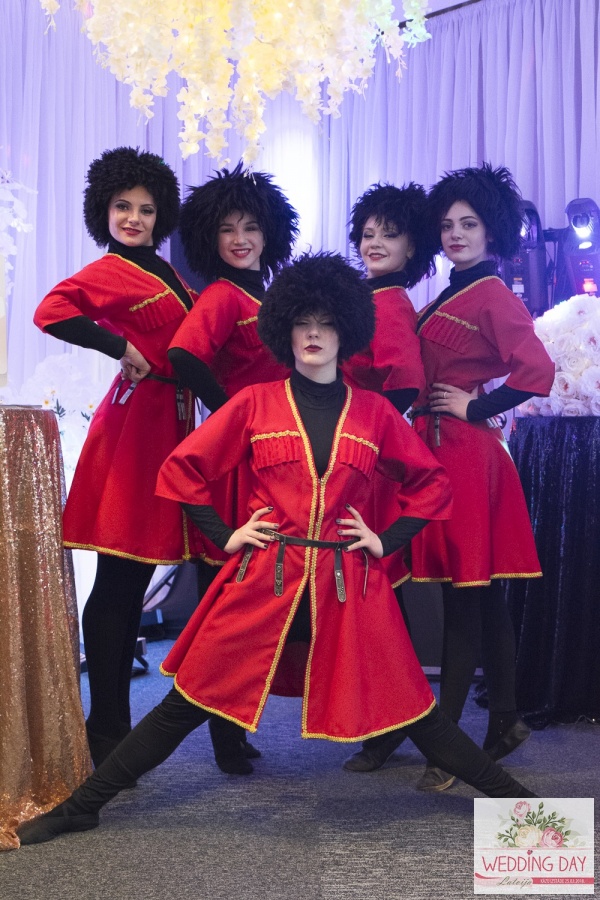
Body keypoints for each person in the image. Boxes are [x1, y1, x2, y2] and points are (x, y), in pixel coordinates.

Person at [16, 253, 536, 848]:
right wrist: (225, 535)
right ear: (284, 331)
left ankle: (523, 807)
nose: (313, 334)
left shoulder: (373, 413)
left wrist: (384, 540)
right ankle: (83, 807)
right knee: (184, 704)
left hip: (348, 585)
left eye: (326, 323)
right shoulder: (255, 403)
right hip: (268, 577)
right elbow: (183, 470)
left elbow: (431, 483)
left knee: (419, 711)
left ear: (346, 332)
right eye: (302, 323)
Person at [33, 147, 200, 769]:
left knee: (132, 581)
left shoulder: (165, 271)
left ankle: (113, 728)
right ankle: (105, 730)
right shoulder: (109, 270)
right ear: (102, 210)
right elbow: (50, 312)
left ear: (162, 216)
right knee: (119, 578)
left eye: (146, 209)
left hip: (168, 427)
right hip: (134, 432)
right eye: (122, 206)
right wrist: (117, 345)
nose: (133, 218)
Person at [408, 163, 555, 792]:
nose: (455, 234)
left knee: (463, 596)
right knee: (483, 592)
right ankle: (505, 719)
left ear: (491, 230)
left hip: (466, 452)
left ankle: (447, 751)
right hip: (445, 449)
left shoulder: (491, 293)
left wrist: (477, 406)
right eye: (446, 225)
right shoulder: (451, 292)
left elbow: (537, 371)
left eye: (468, 224)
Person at [167, 162, 300, 774]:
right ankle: (223, 736)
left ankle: (234, 728)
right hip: (236, 467)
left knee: (247, 596)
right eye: (227, 229)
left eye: (250, 227)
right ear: (209, 239)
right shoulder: (223, 295)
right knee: (229, 598)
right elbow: (184, 355)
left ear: (270, 233)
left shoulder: (266, 298)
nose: (240, 238)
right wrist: (233, 414)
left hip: (268, 462)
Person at [341, 182, 435, 773]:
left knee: (378, 596)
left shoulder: (389, 302)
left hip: (370, 469)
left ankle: (394, 722)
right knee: (375, 595)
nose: (375, 243)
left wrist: (367, 438)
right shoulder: (372, 296)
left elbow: (405, 384)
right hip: (362, 461)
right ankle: (388, 718)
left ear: (411, 246)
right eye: (368, 234)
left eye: (390, 235)